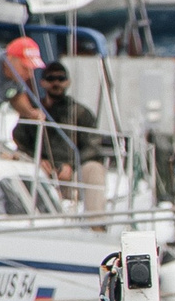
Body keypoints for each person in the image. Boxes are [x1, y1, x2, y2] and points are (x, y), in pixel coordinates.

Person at [15, 62, 109, 208]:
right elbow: (20, 142)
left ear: (68, 82)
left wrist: (72, 166)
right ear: (43, 83)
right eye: (51, 79)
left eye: (61, 78)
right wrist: (37, 160)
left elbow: (93, 146)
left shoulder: (80, 113)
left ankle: (96, 224)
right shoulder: (33, 112)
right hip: (39, 170)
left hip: (72, 173)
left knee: (94, 169)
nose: (56, 83)